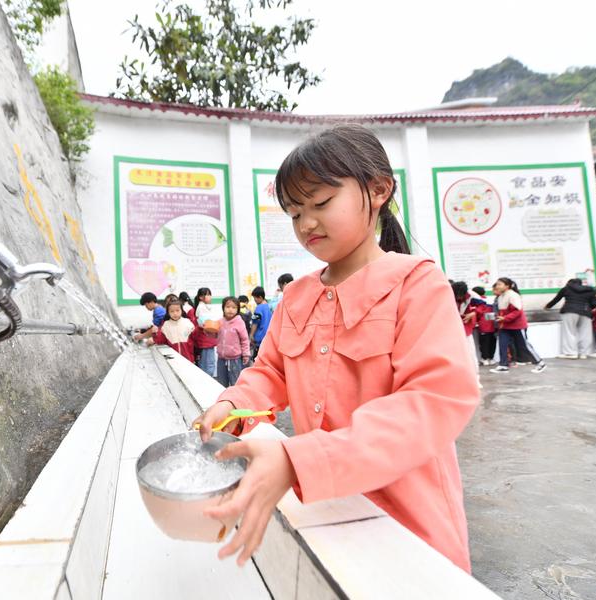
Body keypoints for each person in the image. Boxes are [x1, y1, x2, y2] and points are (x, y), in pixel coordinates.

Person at [192, 124, 478, 573]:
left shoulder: (417, 284)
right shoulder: (296, 298)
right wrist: (230, 405)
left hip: (411, 527)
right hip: (330, 512)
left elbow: (433, 402)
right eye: (293, 212)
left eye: (321, 203)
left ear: (379, 189)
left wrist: (298, 460)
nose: (306, 223)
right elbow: (271, 372)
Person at [489, 278, 546, 373]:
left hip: (517, 326)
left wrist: (505, 318)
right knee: (503, 344)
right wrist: (498, 317)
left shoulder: (513, 295)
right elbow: (502, 311)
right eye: (497, 284)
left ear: (507, 286)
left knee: (524, 345)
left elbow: (517, 311)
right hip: (505, 326)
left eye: (500, 284)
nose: (497, 286)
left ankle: (540, 363)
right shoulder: (500, 296)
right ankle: (503, 365)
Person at [544, 278, 596, 359]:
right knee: (585, 333)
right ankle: (583, 353)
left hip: (570, 311)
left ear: (569, 283)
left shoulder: (566, 289)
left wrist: (548, 306)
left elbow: (556, 299)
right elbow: (594, 303)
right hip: (586, 312)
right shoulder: (590, 290)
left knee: (569, 332)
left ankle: (571, 353)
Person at [216, 296, 250, 386]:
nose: (230, 310)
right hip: (221, 359)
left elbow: (245, 340)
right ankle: (224, 399)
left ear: (237, 309)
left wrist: (246, 354)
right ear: (223, 308)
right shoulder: (220, 322)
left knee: (235, 383)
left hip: (235, 360)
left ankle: (236, 400)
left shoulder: (239, 322)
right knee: (222, 383)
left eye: (233, 307)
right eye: (227, 307)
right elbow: (214, 335)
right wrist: (207, 330)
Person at [152, 297, 197, 361]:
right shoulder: (166, 325)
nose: (175, 313)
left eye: (177, 310)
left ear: (182, 310)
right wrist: (155, 333)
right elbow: (160, 341)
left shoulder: (188, 323)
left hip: (188, 358)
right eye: (172, 311)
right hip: (173, 359)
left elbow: (195, 338)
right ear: (168, 312)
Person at [193, 287, 218, 377]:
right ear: (200, 297)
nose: (209, 297)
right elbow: (205, 324)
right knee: (209, 364)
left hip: (207, 339)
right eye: (207, 294)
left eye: (209, 294)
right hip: (206, 339)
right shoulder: (202, 308)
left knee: (207, 363)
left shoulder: (203, 307)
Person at [472, 286, 497, 365]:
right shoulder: (490, 299)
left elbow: (478, 313)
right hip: (493, 324)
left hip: (484, 326)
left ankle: (484, 358)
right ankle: (491, 358)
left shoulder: (477, 301)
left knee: (484, 343)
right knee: (492, 342)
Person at [248, 286, 272, 359]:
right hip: (269, 337)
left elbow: (255, 323)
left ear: (260, 297)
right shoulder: (269, 306)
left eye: (255, 298)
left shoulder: (258, 308)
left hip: (260, 337)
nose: (254, 300)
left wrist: (251, 335)